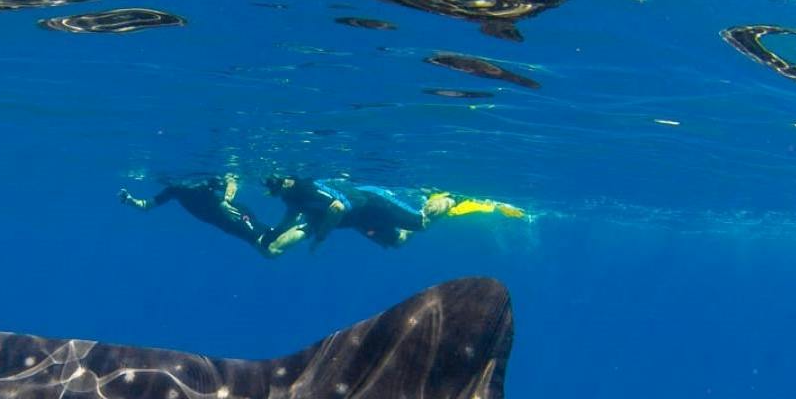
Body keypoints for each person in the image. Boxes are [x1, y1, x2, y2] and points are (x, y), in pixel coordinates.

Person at [262, 175, 526, 254]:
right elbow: (290, 217)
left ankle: (447, 197)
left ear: (286, 182)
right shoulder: (292, 197)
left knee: (421, 223)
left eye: (276, 188)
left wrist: (320, 237)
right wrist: (274, 234)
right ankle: (426, 200)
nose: (277, 193)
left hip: (373, 203)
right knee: (398, 241)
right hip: (358, 219)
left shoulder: (306, 188)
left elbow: (337, 208)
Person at [118, 173, 277, 256]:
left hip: (235, 214)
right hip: (225, 224)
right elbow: (146, 205)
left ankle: (299, 230)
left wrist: (225, 202)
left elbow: (231, 182)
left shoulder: (205, 182)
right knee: (268, 243)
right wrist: (130, 200)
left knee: (268, 249)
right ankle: (296, 229)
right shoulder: (174, 190)